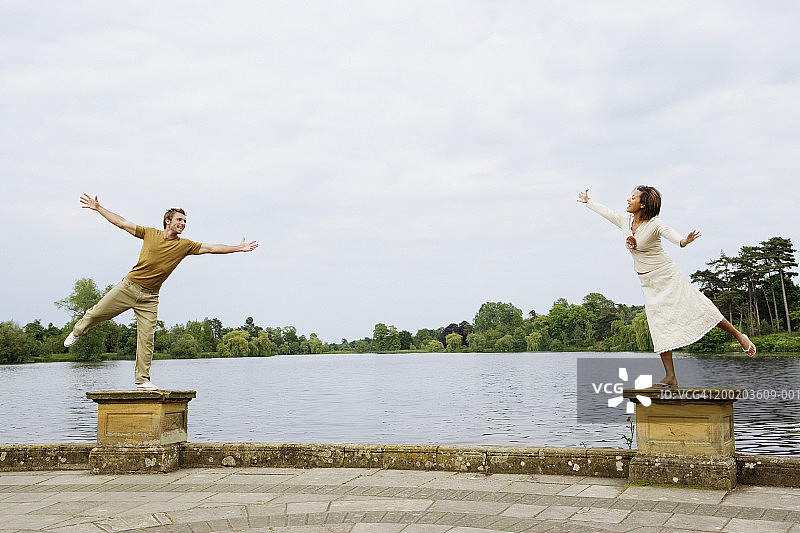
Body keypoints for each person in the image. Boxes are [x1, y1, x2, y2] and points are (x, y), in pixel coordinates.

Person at [64, 194, 258, 390]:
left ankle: (142, 380)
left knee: (147, 338)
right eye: (179, 220)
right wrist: (99, 208)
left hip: (150, 298)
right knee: (96, 313)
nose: (183, 224)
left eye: (185, 221)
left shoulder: (184, 245)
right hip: (128, 287)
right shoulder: (149, 233)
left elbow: (211, 248)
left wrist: (238, 248)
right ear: (168, 221)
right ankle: (78, 331)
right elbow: (122, 223)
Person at [578, 186, 755, 388]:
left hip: (667, 275)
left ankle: (738, 335)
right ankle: (670, 377)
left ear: (642, 204)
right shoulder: (626, 221)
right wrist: (588, 201)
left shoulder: (654, 224)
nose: (628, 200)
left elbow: (668, 232)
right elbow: (607, 213)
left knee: (700, 306)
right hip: (648, 283)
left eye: (633, 197)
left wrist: (682, 241)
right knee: (659, 326)